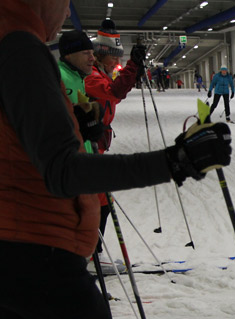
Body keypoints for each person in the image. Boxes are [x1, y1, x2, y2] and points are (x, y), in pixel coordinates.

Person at [0, 1, 232, 319]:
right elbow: (62, 172)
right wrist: (175, 162)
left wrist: (72, 119)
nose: (65, 11)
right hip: (38, 253)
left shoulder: (1, 38)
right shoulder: (19, 46)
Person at [85, 19, 146, 265]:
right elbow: (113, 92)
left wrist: (132, 72)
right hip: (88, 145)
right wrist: (132, 67)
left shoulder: (102, 73)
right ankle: (89, 252)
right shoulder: (90, 75)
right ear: (101, 55)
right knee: (98, 201)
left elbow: (115, 97)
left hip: (98, 143)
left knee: (103, 201)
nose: (115, 61)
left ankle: (93, 252)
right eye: (113, 57)